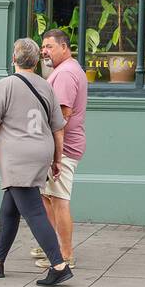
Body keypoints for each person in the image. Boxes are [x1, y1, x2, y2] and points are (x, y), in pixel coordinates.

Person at [0, 37, 73, 286]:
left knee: (34, 211)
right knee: (9, 208)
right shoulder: (46, 86)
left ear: (13, 59)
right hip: (42, 152)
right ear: (36, 61)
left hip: (18, 158)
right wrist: (57, 160)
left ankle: (59, 265)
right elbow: (58, 128)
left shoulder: (5, 85)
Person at [34, 28, 87, 269]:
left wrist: (56, 153)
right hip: (61, 147)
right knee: (48, 197)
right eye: (43, 47)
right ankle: (50, 245)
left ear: (64, 47)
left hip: (63, 149)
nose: (44, 51)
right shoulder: (66, 69)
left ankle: (65, 256)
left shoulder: (65, 73)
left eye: (49, 46)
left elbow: (62, 115)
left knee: (59, 199)